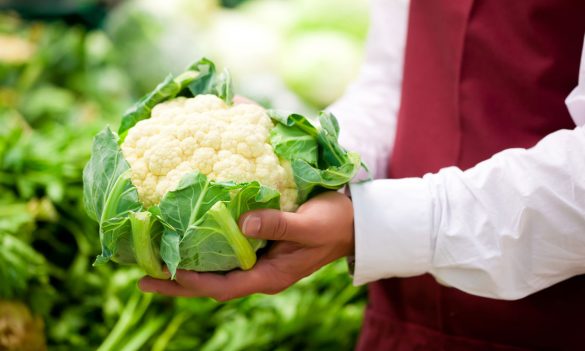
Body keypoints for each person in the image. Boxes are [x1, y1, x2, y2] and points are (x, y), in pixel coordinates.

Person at [140, 0, 585, 349]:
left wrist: (368, 226)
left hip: (556, 324)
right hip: (404, 315)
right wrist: (304, 157)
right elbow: (391, 80)